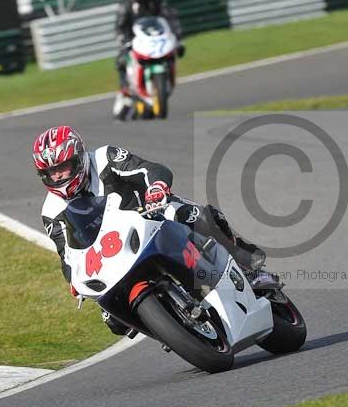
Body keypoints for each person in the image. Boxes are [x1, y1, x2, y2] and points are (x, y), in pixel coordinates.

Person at [32, 125, 272, 336]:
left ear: (80, 157)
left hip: (151, 214)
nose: (59, 175)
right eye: (51, 172)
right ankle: (171, 326)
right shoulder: (51, 210)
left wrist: (156, 188)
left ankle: (246, 266)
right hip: (113, 254)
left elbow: (150, 169)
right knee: (114, 320)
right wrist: (73, 281)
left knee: (196, 217)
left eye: (63, 166)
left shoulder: (105, 157)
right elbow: (67, 255)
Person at [115, 0, 184, 96]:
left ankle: (167, 77)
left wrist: (178, 38)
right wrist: (124, 41)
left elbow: (171, 18)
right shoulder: (126, 5)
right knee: (121, 60)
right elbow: (120, 26)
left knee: (173, 52)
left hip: (156, 38)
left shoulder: (158, 1)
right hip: (134, 39)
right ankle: (124, 85)